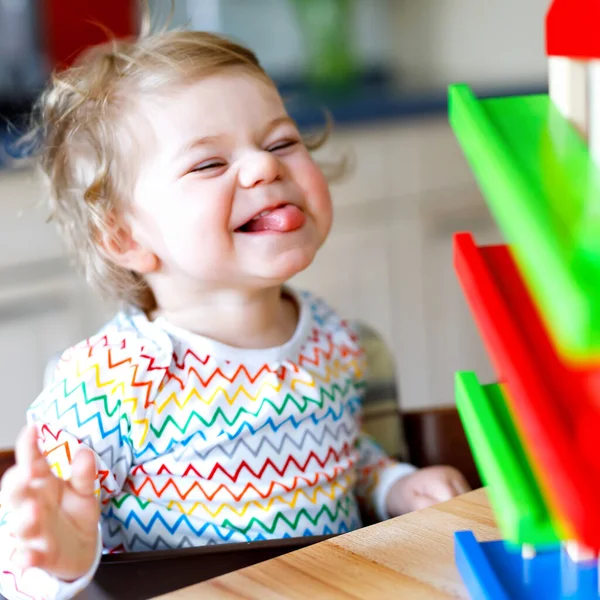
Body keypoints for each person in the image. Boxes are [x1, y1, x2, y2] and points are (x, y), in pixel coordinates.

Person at [0, 20, 470, 600]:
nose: (263, 167)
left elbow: (338, 457)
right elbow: (25, 546)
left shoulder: (336, 340)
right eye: (208, 164)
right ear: (124, 237)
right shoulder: (107, 382)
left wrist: (395, 485)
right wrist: (62, 560)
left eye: (281, 143)